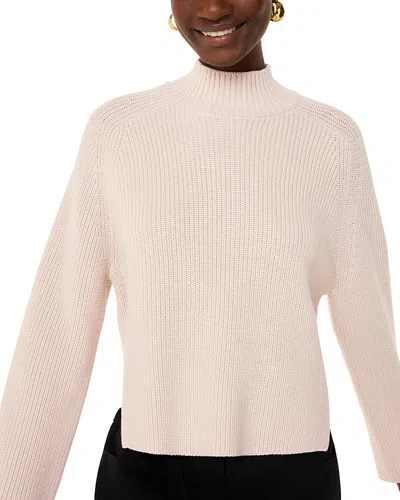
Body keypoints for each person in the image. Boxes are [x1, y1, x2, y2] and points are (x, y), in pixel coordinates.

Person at [1, 1, 400, 499]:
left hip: (292, 471)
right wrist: (15, 487)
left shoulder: (331, 141)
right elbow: (61, 323)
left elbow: (368, 320)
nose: (213, 7)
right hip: (147, 470)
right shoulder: (118, 133)